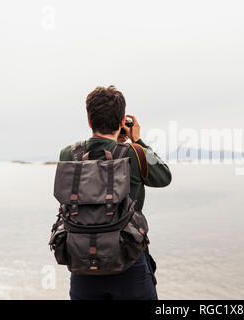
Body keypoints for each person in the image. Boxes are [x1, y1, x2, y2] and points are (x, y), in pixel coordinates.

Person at [58, 85, 172, 300]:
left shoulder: (69, 153)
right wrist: (137, 141)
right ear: (122, 122)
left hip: (82, 261)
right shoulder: (135, 153)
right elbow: (164, 176)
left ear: (89, 121)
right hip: (128, 260)